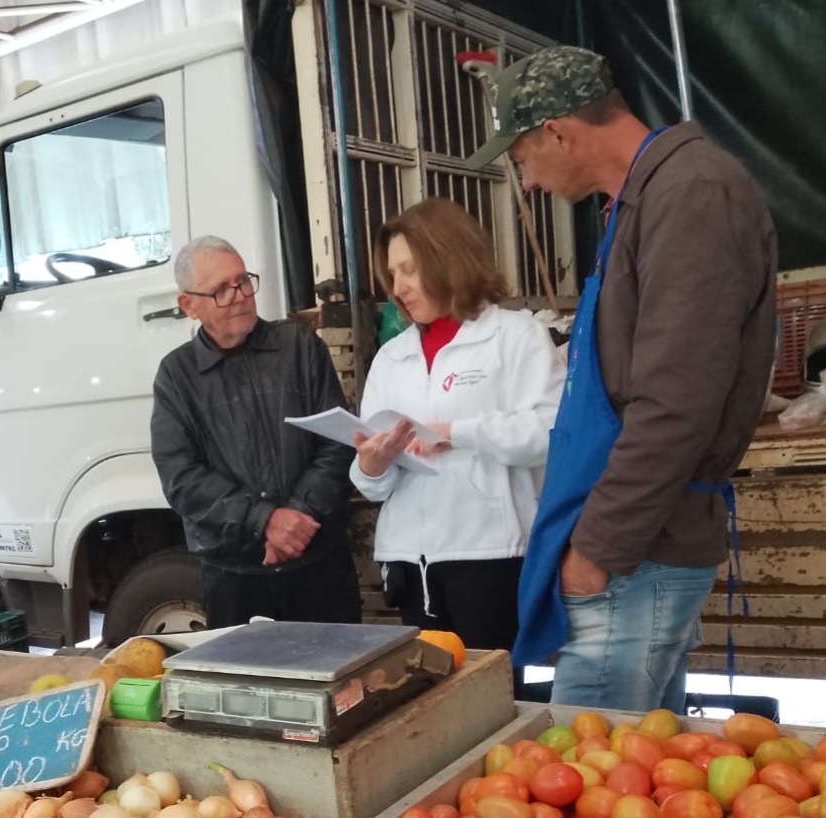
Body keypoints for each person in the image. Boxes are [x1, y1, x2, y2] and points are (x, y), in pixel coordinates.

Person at [466, 45, 777, 711]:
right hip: (637, 547)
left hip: (637, 554)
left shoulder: (690, 196)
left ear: (557, 131)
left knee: (589, 771)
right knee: (645, 770)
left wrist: (599, 548)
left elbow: (676, 403)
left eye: (520, 159)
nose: (525, 181)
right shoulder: (640, 201)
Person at [350, 199, 564, 653]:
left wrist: (457, 431)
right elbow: (375, 486)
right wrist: (371, 466)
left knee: (495, 697)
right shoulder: (391, 356)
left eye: (409, 269)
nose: (398, 287)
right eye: (392, 274)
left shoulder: (515, 335)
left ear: (449, 257)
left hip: (491, 557)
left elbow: (547, 433)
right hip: (409, 563)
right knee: (432, 702)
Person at [150, 235, 363, 629]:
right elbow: (181, 477)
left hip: (319, 565)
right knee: (247, 686)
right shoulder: (177, 377)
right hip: (236, 577)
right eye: (221, 291)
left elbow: (338, 442)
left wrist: (298, 517)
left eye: (243, 281)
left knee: (342, 683)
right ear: (188, 305)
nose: (240, 296)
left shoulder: (299, 347)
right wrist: (264, 520)